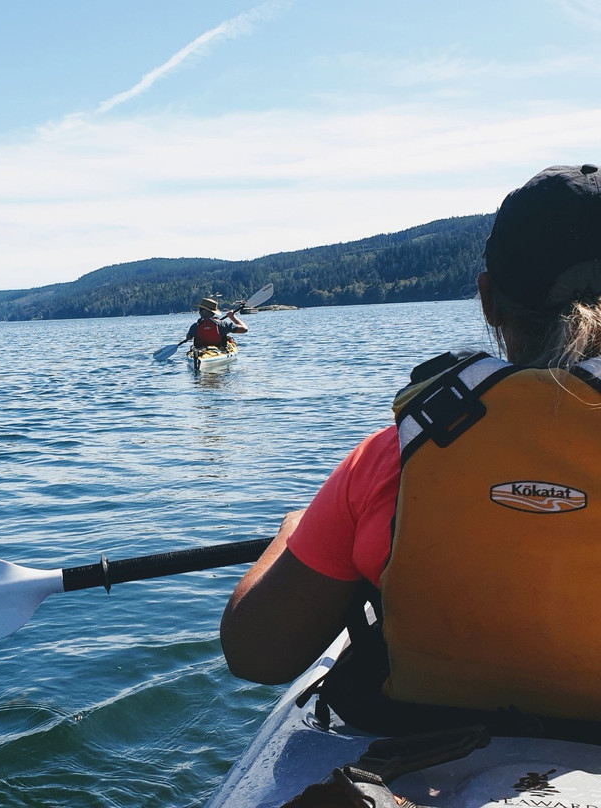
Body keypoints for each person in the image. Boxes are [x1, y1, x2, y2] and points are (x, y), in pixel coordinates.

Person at [220, 164, 601, 735]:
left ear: (487, 299)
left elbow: (256, 654)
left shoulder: (395, 455)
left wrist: (295, 532)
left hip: (423, 745)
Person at [183, 297, 248, 350]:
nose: (199, 312)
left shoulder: (195, 326)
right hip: (219, 351)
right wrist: (232, 317)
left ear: (205, 311)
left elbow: (188, 337)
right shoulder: (222, 324)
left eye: (200, 309)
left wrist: (190, 336)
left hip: (200, 353)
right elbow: (244, 329)